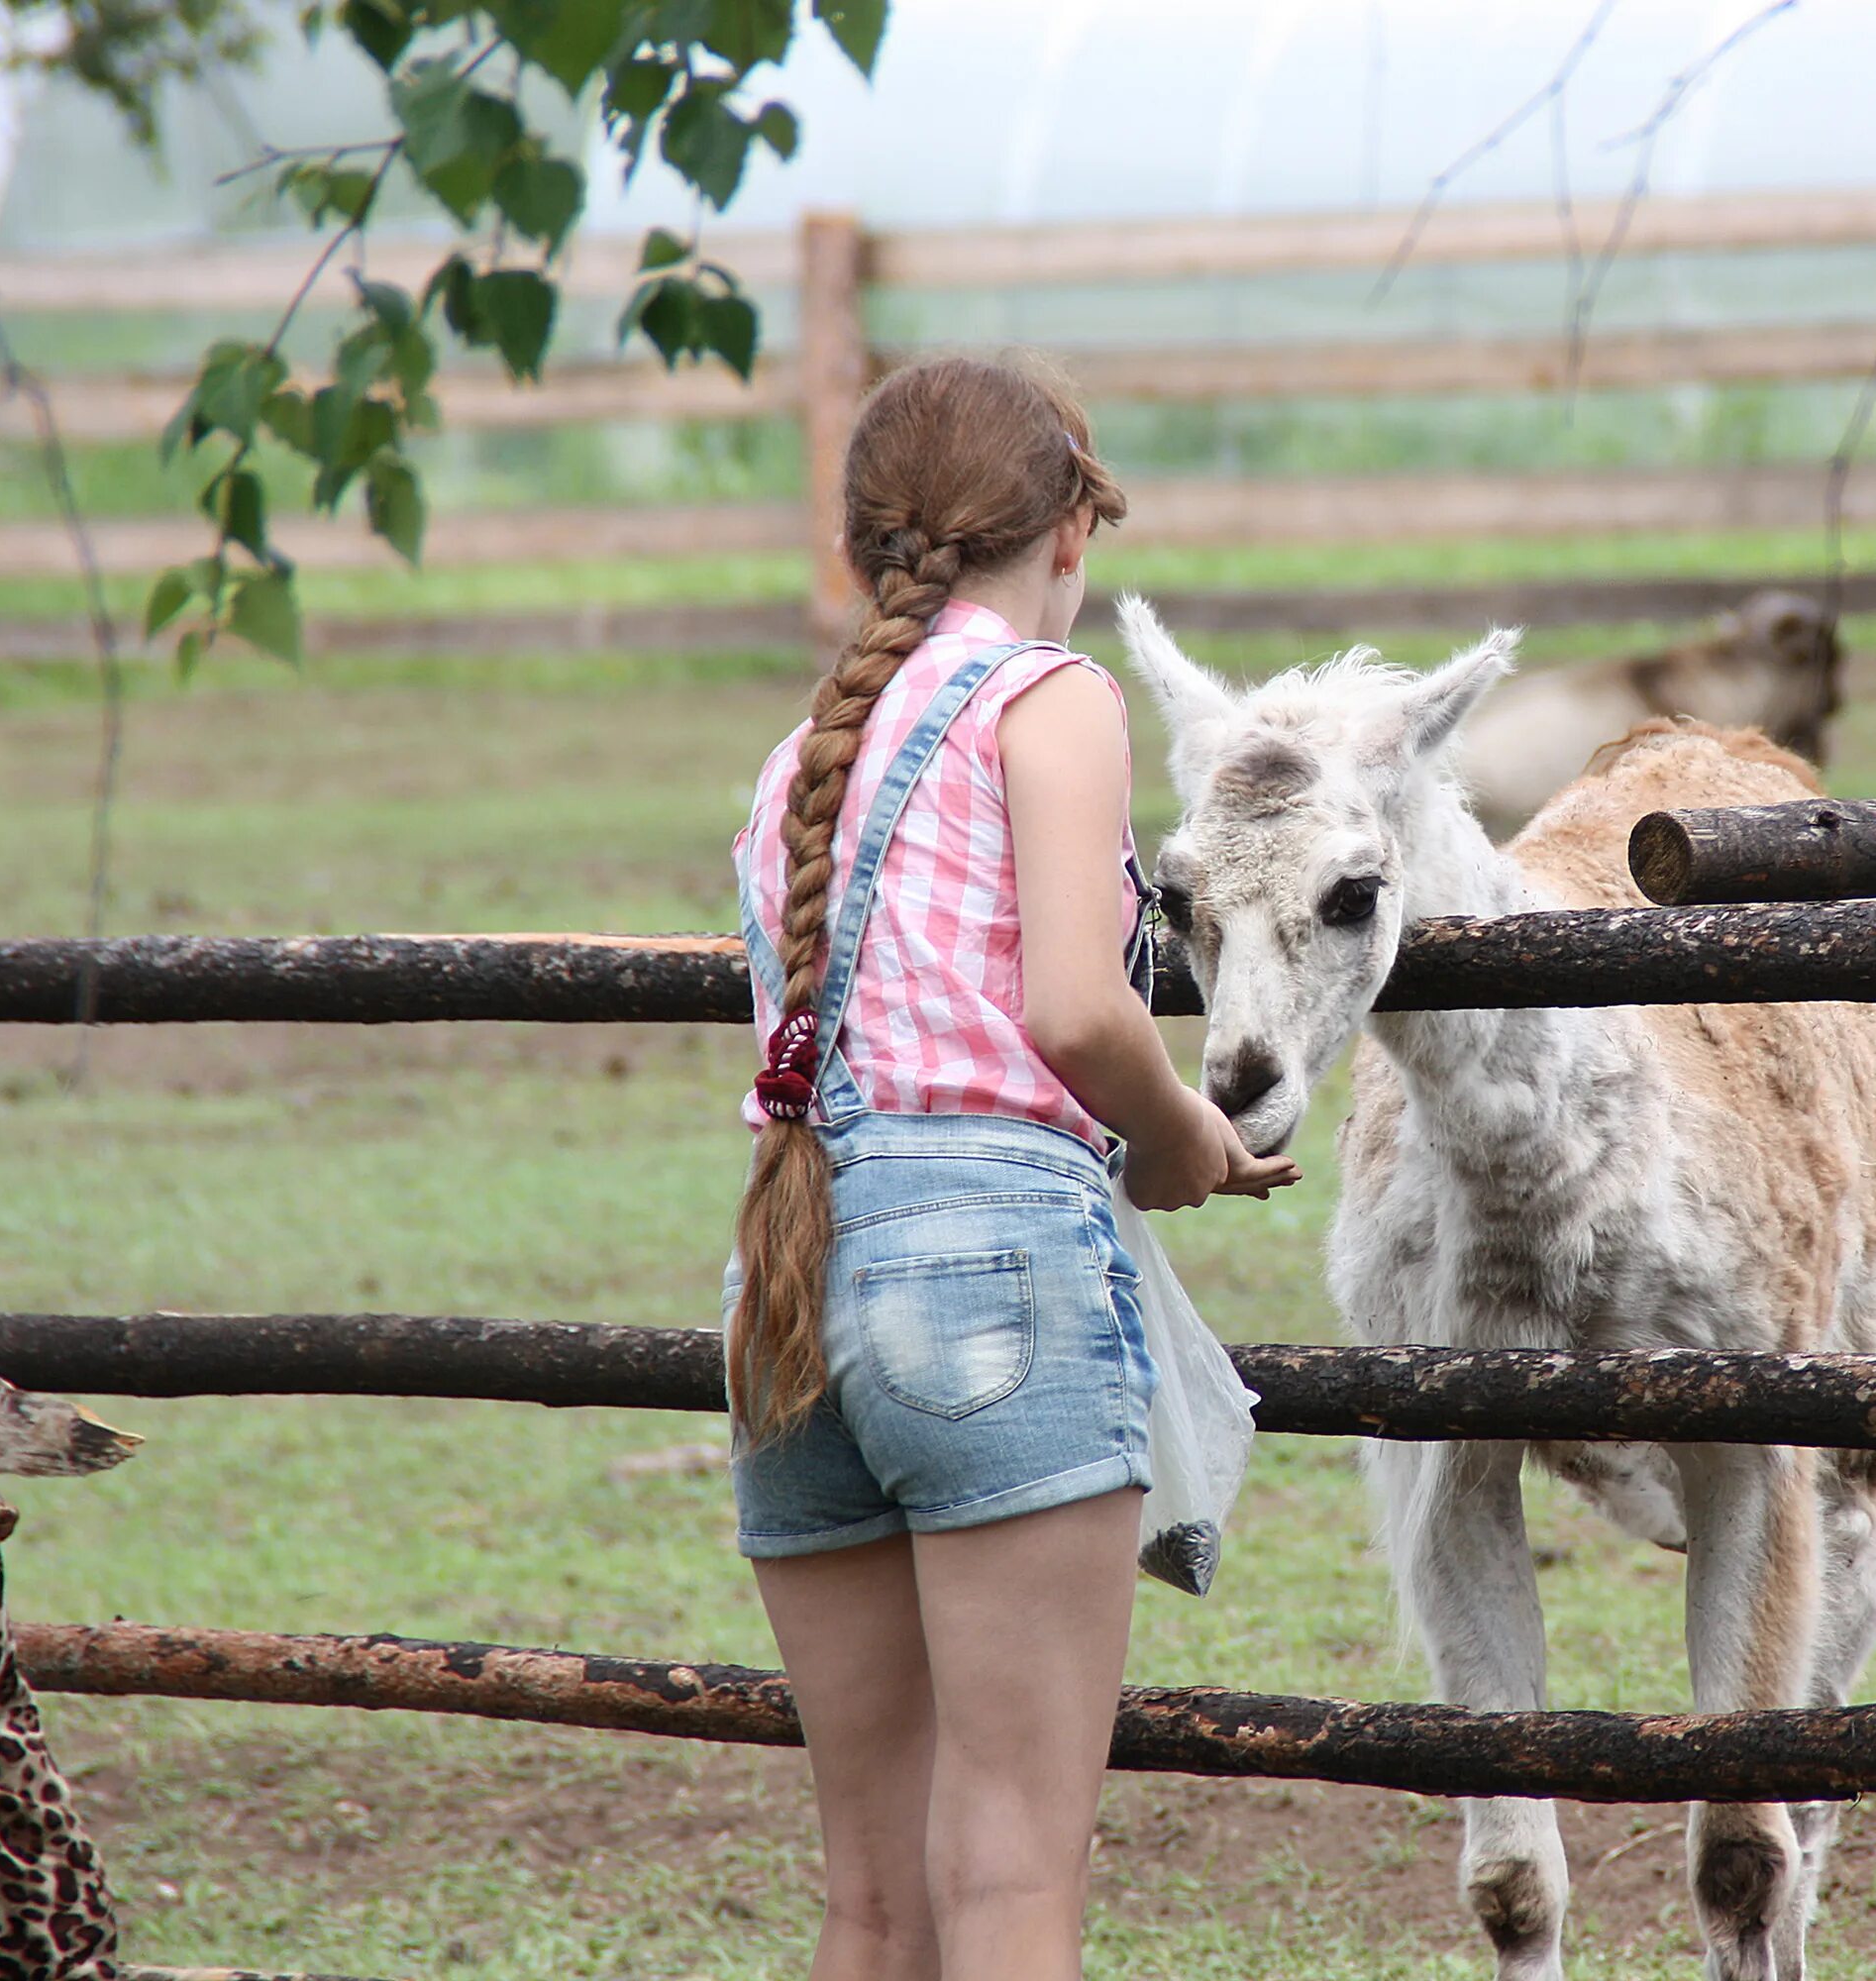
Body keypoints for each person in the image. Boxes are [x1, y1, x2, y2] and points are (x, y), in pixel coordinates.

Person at [722, 354, 1298, 1981]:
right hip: (986, 1273)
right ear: (1068, 535)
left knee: (875, 1902)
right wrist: (1189, 1141)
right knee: (1011, 1883)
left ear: (863, 556)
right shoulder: (1050, 704)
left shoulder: (799, 767)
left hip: (786, 1282)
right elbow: (1073, 1009)